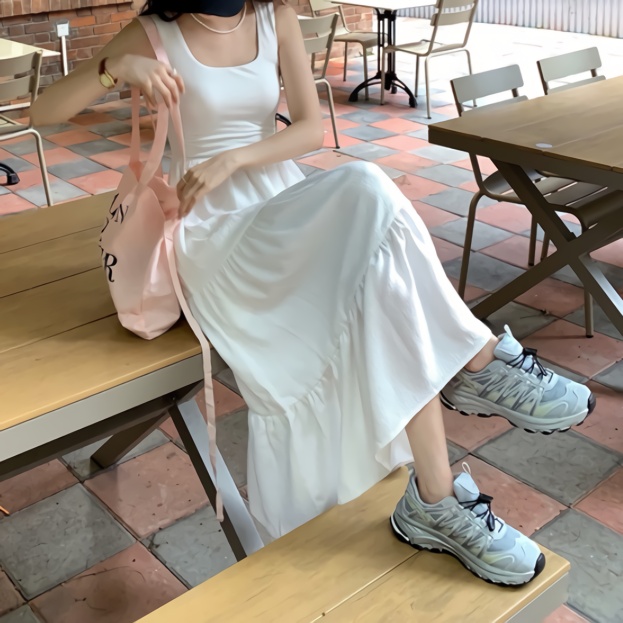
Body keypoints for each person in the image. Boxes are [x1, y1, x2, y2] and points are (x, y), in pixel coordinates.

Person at [31, 0, 595, 586]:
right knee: (366, 189)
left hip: (278, 200)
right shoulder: (154, 31)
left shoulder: (272, 18)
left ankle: (436, 495)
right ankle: (476, 363)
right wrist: (115, 68)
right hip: (212, 232)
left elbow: (308, 129)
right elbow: (43, 112)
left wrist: (235, 159)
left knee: (386, 278)